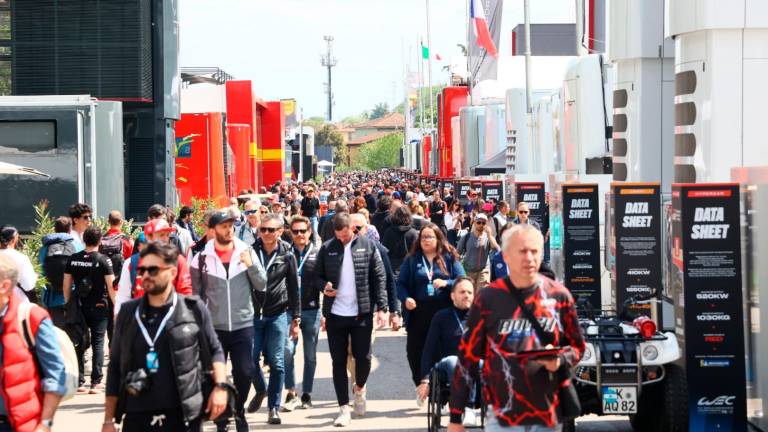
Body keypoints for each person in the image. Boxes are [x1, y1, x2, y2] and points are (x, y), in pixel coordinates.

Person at [448, 225, 586, 432]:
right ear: (505, 256)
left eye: (534, 251)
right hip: (503, 415)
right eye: (522, 251)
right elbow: (467, 359)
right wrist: (456, 416)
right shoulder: (488, 299)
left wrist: (560, 359)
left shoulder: (559, 296)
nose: (529, 258)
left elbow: (578, 347)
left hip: (547, 414)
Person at [103, 242, 229, 432]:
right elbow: (114, 368)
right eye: (142, 270)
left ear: (172, 272)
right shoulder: (129, 313)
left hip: (183, 415)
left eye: (153, 270)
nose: (145, 275)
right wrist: (108, 420)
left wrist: (220, 388)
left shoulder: (193, 308)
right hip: (138, 414)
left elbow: (215, 351)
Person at [190, 211, 267, 432]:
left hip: (243, 324)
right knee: (215, 376)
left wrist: (250, 265)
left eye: (231, 225)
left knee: (245, 371)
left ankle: (238, 409)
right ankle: (222, 418)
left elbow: (262, 284)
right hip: (214, 329)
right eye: (223, 226)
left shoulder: (246, 251)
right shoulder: (201, 259)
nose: (228, 230)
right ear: (212, 230)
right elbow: (195, 296)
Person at [315, 213, 388, 427]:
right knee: (337, 362)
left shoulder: (368, 245)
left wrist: (382, 308)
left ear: (352, 229)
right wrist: (324, 287)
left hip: (361, 313)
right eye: (338, 236)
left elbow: (379, 276)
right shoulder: (328, 247)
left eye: (345, 236)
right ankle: (343, 408)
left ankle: (360, 388)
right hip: (336, 314)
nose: (342, 240)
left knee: (363, 358)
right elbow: (316, 276)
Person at [0, 254, 67, 432]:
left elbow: (56, 375)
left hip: (19, 424)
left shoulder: (30, 318)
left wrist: (44, 424)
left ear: (4, 286)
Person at [396, 224, 465, 388]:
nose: (425, 240)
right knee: (414, 352)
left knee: (442, 350)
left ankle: (443, 387)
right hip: (418, 312)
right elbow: (401, 284)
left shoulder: (448, 258)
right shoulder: (412, 259)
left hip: (443, 311)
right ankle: (421, 383)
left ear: (438, 239)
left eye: (429, 237)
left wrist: (446, 283)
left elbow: (462, 280)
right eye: (423, 237)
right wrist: (405, 299)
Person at [247, 213, 300, 425]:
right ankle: (261, 390)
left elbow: (294, 288)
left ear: (279, 232)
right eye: (263, 229)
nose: (266, 233)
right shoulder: (250, 251)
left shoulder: (288, 254)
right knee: (249, 361)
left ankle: (273, 408)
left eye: (270, 230)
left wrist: (295, 317)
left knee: (277, 363)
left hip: (278, 314)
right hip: (253, 315)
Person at [62, 226, 115, 394]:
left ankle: (79, 382)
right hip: (100, 305)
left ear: (84, 240)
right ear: (100, 241)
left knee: (79, 341)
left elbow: (66, 285)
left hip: (79, 306)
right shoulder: (103, 260)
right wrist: (117, 306)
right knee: (98, 342)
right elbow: (111, 286)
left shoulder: (73, 259)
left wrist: (68, 302)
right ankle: (96, 382)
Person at [417, 277, 477, 425]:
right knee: (454, 361)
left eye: (470, 292)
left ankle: (470, 409)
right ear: (452, 296)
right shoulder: (442, 317)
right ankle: (468, 407)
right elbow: (428, 350)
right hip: (449, 365)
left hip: (476, 365)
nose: (466, 295)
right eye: (462, 292)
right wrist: (425, 379)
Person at [283, 216, 322, 411]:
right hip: (288, 311)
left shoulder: (318, 253)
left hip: (312, 310)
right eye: (295, 231)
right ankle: (291, 392)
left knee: (311, 356)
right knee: (287, 351)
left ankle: (307, 393)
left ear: (309, 232)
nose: (299, 234)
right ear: (290, 232)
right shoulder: (284, 253)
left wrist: (326, 313)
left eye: (302, 231)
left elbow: (325, 281)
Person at [114, 219, 193, 315]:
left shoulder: (178, 260)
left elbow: (185, 292)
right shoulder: (131, 262)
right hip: (140, 321)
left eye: (167, 235)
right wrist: (118, 319)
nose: (165, 239)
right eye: (161, 235)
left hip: (170, 321)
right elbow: (123, 297)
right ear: (149, 237)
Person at [40, 217, 81, 327]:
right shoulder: (77, 246)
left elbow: (41, 270)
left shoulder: (45, 248)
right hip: (72, 295)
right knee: (73, 330)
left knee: (56, 331)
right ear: (69, 229)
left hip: (51, 296)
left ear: (55, 229)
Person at [457, 213, 499, 290]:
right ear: (474, 223)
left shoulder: (488, 237)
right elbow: (457, 253)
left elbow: (495, 248)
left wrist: (489, 234)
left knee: (481, 295)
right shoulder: (466, 237)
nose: (481, 225)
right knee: (470, 295)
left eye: (483, 223)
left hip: (483, 271)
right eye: (479, 222)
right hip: (468, 271)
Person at [0, 226, 38, 303]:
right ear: (14, 239)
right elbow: (28, 285)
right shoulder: (21, 258)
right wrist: (35, 277)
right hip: (17, 302)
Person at [380, 207, 419, 278]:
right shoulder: (413, 233)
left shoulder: (389, 231)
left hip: (392, 267)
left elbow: (384, 250)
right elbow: (416, 252)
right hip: (408, 268)